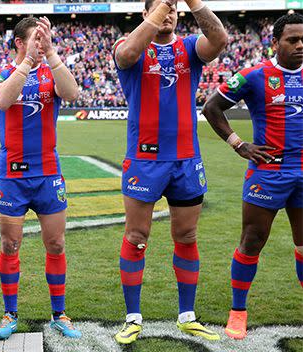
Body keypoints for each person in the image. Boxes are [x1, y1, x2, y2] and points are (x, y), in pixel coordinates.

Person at [111, 0, 227, 343]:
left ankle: (187, 315)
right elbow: (128, 54)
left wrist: (191, 2)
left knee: (187, 237)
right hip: (144, 161)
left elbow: (219, 39)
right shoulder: (128, 44)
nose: (169, 14)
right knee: (136, 237)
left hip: (186, 160)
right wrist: (159, 9)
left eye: (173, 9)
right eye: (162, 7)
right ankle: (133, 317)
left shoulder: (190, 47)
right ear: (148, 13)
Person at [202, 13, 303, 340]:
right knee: (252, 240)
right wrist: (239, 144)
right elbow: (212, 108)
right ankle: (238, 311)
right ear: (275, 43)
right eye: (293, 40)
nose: (300, 45)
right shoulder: (255, 75)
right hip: (268, 172)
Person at [0, 16, 81, 339]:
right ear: (19, 43)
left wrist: (51, 54)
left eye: (46, 38)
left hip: (48, 174)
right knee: (10, 244)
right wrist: (26, 62)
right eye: (37, 38)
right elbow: (1, 99)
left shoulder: (50, 71)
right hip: (12, 176)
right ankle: (9, 313)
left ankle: (59, 313)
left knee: (55, 244)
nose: (42, 44)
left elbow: (72, 93)